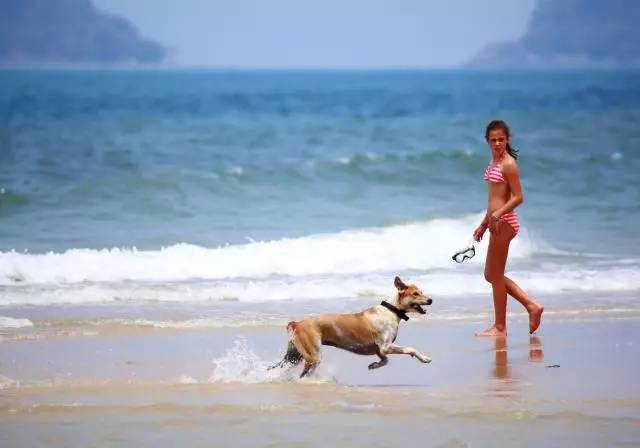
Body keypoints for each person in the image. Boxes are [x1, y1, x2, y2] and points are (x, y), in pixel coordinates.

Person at [473, 120, 544, 337]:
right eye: (493, 140)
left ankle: (501, 327)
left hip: (505, 223)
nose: (497, 143)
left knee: (494, 275)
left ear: (507, 140)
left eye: (501, 139)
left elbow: (518, 197)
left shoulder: (509, 164)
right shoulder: (494, 162)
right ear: (487, 141)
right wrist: (484, 224)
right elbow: (494, 198)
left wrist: (498, 215)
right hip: (495, 222)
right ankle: (531, 307)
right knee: (491, 275)